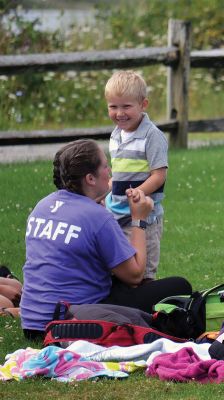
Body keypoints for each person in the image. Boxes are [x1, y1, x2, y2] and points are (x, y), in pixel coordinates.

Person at [20, 139, 192, 340]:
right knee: (180, 287)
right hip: (70, 322)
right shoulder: (96, 216)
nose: (109, 170)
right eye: (104, 165)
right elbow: (135, 275)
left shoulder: (42, 206)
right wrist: (138, 219)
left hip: (32, 323)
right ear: (90, 179)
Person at [104, 70, 168, 281]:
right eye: (113, 106)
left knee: (144, 268)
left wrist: (138, 193)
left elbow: (159, 175)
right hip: (117, 213)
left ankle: (147, 305)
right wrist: (111, 184)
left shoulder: (152, 136)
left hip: (144, 215)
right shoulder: (116, 134)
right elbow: (121, 170)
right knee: (121, 264)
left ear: (143, 104)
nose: (119, 113)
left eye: (126, 106)